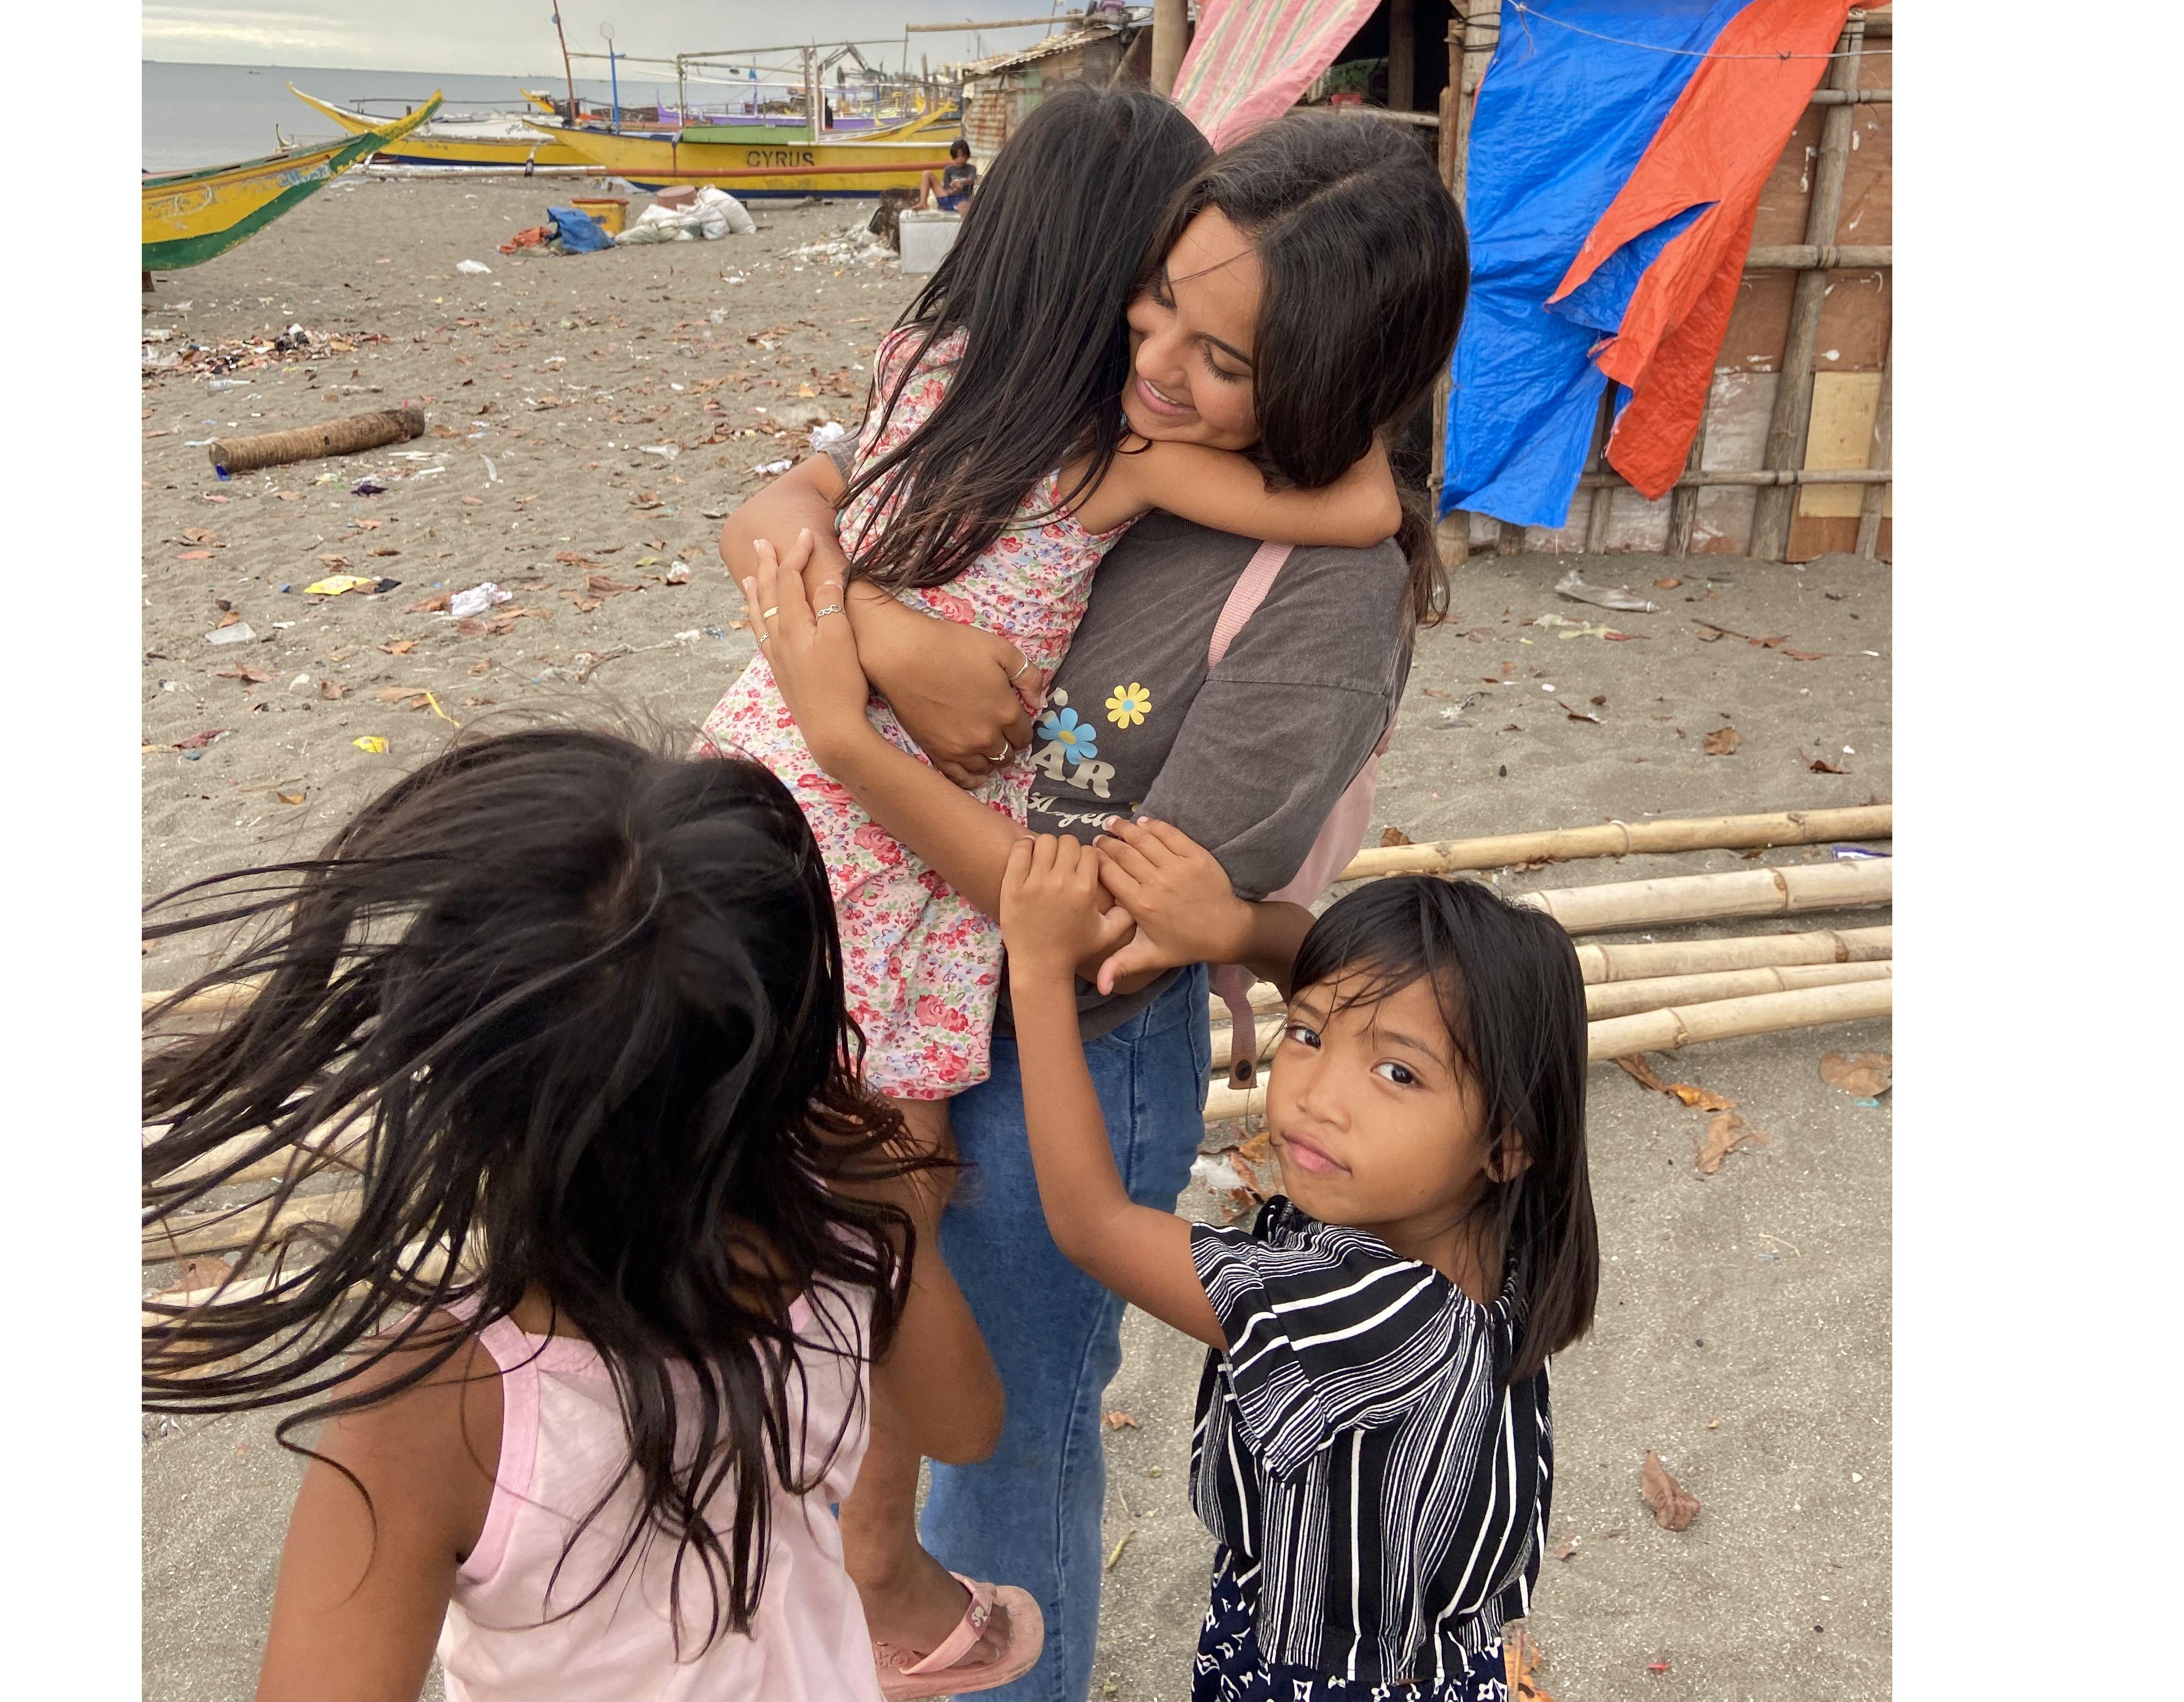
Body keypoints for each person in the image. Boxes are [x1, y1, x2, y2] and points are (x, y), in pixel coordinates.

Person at [725, 106, 1473, 1702]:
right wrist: (849, 596)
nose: (1158, 364)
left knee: (1005, 1442)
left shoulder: (1317, 597)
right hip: (879, 954)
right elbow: (844, 495)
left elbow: (1115, 930)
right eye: (1158, 305)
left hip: (1061, 1042)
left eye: (1223, 355)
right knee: (875, 1372)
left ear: (1332, 375)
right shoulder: (1085, 415)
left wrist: (851, 722)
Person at [141, 727, 1033, 1701]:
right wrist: (887, 1192)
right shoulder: (836, 1241)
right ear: (792, 1046)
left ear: (464, 1092)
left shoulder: (426, 1411)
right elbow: (965, 1425)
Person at [994, 853, 1599, 1702]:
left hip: (1319, 1674)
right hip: (1433, 1662)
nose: (1317, 1094)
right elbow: (1331, 978)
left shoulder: (1372, 1314)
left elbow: (1093, 1224)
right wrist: (1240, 929)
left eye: (1397, 1073)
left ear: (1507, 1140)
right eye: (1308, 1036)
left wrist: (1038, 967)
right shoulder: (1496, 1228)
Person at [926, 136, 977, 214]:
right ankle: (923, 203)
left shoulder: (971, 168)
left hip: (963, 199)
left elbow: (971, 180)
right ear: (954, 157)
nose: (960, 159)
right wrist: (953, 190)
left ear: (967, 156)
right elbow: (947, 189)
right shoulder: (948, 170)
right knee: (927, 174)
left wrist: (961, 183)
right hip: (949, 197)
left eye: (963, 156)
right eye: (957, 157)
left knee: (964, 205)